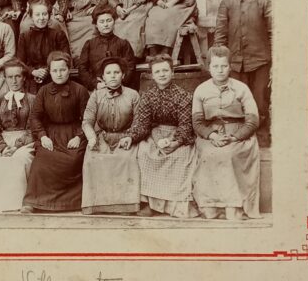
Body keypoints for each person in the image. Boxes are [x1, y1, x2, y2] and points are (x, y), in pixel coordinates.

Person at [118, 54, 198, 218]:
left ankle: (172, 206)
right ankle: (150, 204)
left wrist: (176, 142)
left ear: (172, 72)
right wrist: (130, 137)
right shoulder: (148, 96)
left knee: (181, 157)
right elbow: (142, 124)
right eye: (157, 71)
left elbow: (185, 125)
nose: (162, 74)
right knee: (145, 154)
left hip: (177, 136)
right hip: (154, 134)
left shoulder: (184, 96)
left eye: (165, 70)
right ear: (152, 75)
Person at [191, 46, 261, 220]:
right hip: (211, 134)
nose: (220, 70)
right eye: (215, 66)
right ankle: (211, 204)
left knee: (229, 154)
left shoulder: (241, 88)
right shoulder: (201, 90)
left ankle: (234, 205)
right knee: (208, 153)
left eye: (223, 66)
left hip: (239, 134)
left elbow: (253, 120)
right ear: (209, 68)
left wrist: (235, 136)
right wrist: (212, 135)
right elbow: (197, 122)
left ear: (230, 66)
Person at [22, 51, 89, 213]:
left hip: (74, 133)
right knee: (42, 158)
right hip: (50, 133)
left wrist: (79, 137)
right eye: (54, 71)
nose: (59, 74)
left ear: (69, 70)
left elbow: (88, 118)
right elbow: (35, 117)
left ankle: (71, 203)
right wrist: (43, 136)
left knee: (73, 159)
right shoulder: (43, 91)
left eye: (62, 70)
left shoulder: (80, 90)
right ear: (50, 72)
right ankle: (35, 202)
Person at [214, 0, 272, 145]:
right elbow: (220, 36)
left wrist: (275, 63)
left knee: (261, 101)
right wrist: (220, 63)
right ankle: (240, 139)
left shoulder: (264, 1)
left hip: (260, 61)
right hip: (236, 64)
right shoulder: (227, 4)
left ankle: (262, 139)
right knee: (237, 103)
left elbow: (274, 33)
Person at [81, 57, 141, 215]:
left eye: (116, 72)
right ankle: (97, 205)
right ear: (102, 77)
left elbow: (139, 122)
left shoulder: (133, 95)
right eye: (108, 73)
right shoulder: (96, 95)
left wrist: (130, 137)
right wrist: (91, 137)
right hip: (102, 137)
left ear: (123, 75)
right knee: (92, 160)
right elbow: (87, 121)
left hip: (126, 137)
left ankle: (125, 205)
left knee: (127, 160)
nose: (113, 76)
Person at [0, 60, 36, 212]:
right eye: (10, 77)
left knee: (21, 159)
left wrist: (16, 146)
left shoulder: (32, 99)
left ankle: (22, 202)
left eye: (18, 76)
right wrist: (2, 147)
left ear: (24, 78)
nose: (14, 81)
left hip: (25, 142)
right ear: (5, 78)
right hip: (2, 140)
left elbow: (33, 128)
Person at [16, 0, 71, 94]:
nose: (41, 18)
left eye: (44, 14)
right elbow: (20, 61)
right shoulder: (24, 37)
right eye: (37, 15)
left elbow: (66, 58)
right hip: (31, 80)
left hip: (54, 77)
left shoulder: (58, 35)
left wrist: (47, 70)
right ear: (31, 16)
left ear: (49, 15)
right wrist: (32, 72)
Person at [78, 3, 136, 91]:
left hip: (120, 87)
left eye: (109, 20)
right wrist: (95, 84)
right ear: (96, 25)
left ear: (114, 21)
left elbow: (130, 67)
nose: (106, 24)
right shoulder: (89, 44)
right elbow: (82, 68)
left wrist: (119, 83)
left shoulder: (123, 43)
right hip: (97, 88)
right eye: (101, 22)